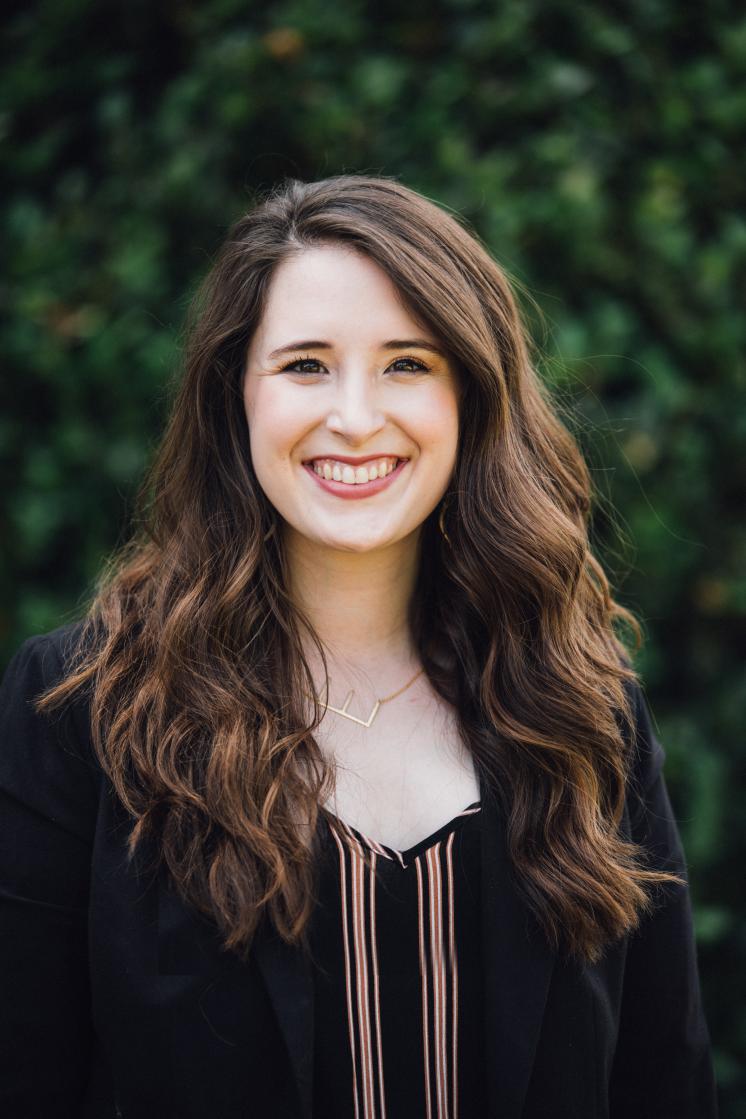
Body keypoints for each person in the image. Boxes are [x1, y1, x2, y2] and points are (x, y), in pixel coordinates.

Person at [0, 174, 718, 1118]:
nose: (354, 416)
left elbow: (666, 1085)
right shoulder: (81, 711)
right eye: (304, 364)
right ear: (234, 398)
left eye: (406, 364)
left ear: (470, 398)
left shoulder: (578, 707)